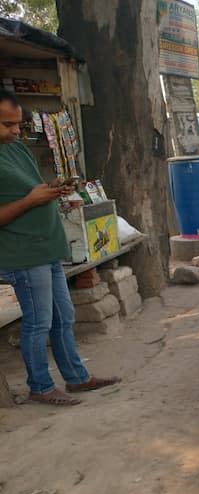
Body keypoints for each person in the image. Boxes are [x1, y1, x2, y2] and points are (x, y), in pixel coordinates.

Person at [0, 90, 119, 406]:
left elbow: (31, 190)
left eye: (17, 124)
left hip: (48, 246)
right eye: (6, 124)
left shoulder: (18, 150)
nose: (14, 130)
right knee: (38, 322)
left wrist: (54, 189)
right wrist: (30, 200)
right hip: (23, 253)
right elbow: (21, 201)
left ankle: (76, 378)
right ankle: (40, 385)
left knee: (63, 317)